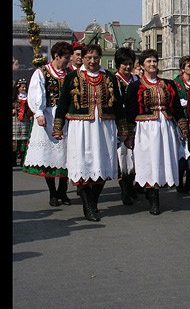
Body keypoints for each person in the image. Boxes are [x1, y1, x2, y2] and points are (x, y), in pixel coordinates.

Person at [52, 43, 129, 222]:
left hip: (104, 127)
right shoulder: (72, 77)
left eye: (95, 58)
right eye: (88, 58)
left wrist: (123, 128)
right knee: (83, 164)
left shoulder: (109, 77)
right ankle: (88, 204)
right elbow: (63, 103)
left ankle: (92, 201)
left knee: (102, 163)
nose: (92, 61)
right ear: (82, 59)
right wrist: (58, 127)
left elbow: (117, 104)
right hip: (80, 127)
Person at [124, 49, 188, 215]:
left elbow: (176, 108)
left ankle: (156, 191)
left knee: (161, 159)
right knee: (147, 160)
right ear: (142, 65)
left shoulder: (168, 84)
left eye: (154, 61)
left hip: (164, 127)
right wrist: (129, 134)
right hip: (145, 128)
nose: (152, 64)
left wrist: (183, 128)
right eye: (148, 62)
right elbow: (130, 111)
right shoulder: (135, 86)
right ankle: (152, 198)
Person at [22, 41, 73, 207]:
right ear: (56, 56)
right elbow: (36, 93)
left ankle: (63, 191)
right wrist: (38, 113)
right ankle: (53, 193)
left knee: (67, 154)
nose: (68, 61)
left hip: (66, 117)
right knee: (49, 155)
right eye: (66, 57)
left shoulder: (70, 73)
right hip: (48, 115)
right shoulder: (42, 72)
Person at [114, 46, 139, 205]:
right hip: (120, 122)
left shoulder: (136, 80)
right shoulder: (114, 80)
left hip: (136, 121)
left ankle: (131, 186)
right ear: (118, 64)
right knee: (122, 155)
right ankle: (124, 190)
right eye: (124, 64)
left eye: (130, 63)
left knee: (134, 155)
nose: (128, 67)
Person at [173, 55, 190, 195]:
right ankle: (179, 182)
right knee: (182, 152)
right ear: (183, 68)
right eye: (189, 65)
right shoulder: (177, 83)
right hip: (182, 120)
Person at [12, 78, 33, 167]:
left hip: (25, 120)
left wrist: (30, 114)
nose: (24, 89)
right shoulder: (14, 97)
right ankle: (13, 160)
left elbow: (31, 108)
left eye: (25, 87)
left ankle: (23, 161)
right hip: (15, 120)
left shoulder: (28, 97)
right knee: (14, 139)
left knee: (24, 140)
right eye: (22, 87)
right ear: (18, 88)